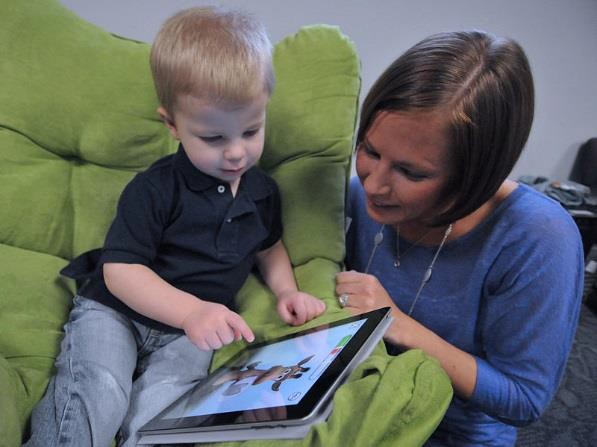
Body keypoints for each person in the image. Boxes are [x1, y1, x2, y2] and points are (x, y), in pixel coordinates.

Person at [25, 7, 325, 447]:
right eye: (214, 138)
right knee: (100, 390)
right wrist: (189, 311)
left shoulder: (262, 191)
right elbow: (121, 271)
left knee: (168, 411)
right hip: (118, 311)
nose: (237, 153)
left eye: (251, 130)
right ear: (172, 125)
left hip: (191, 332)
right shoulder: (154, 189)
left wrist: (285, 291)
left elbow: (268, 245)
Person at [335, 30, 584, 446]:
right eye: (371, 150)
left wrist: (396, 323)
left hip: (449, 432)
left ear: (475, 176)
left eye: (411, 173)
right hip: (351, 402)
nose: (374, 185)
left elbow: (524, 399)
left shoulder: (539, 238)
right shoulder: (358, 193)